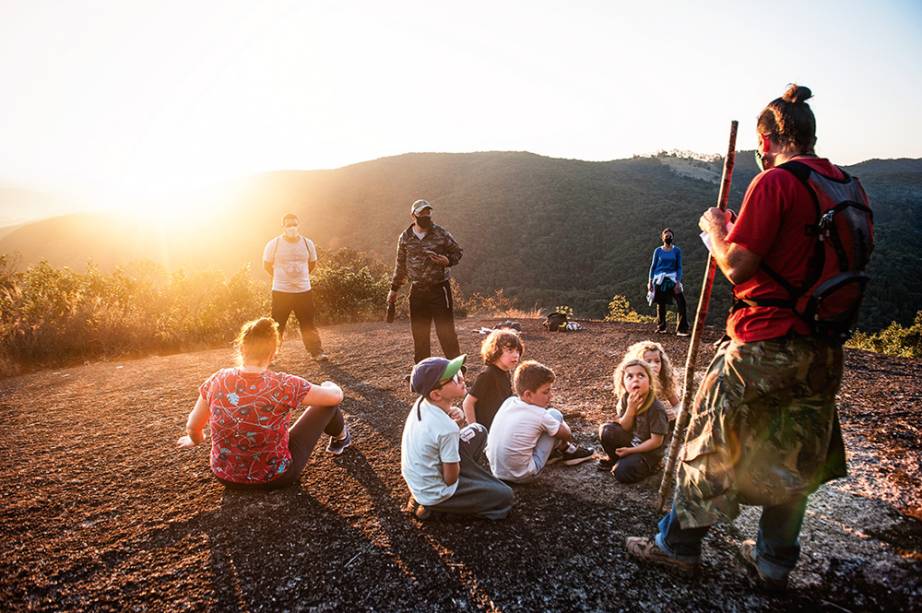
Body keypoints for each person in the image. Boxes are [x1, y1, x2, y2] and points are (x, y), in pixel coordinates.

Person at [626, 84, 860, 590]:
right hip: (822, 347)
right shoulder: (848, 187)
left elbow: (737, 263)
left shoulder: (776, 183)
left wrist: (715, 229)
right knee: (796, 453)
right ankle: (776, 561)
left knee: (713, 444)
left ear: (765, 138)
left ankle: (676, 547)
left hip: (763, 343)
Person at [177, 317, 351, 489]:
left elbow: (193, 426)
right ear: (273, 352)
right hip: (276, 477)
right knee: (328, 406)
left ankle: (340, 439)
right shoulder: (284, 384)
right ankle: (341, 438)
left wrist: (195, 440)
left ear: (242, 348)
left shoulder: (218, 379)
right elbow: (335, 398)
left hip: (224, 476)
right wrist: (330, 385)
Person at [401, 355, 514, 521]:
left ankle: (468, 485)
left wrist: (455, 416)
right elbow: (450, 478)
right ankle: (437, 507)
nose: (462, 378)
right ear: (436, 394)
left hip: (422, 477)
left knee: (478, 430)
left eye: (460, 372)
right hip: (437, 491)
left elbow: (437, 430)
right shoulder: (447, 429)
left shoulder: (422, 403)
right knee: (505, 495)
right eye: (454, 377)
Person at [486, 360, 594, 483]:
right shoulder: (539, 414)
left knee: (543, 425)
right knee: (555, 414)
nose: (550, 396)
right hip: (522, 475)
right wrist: (558, 430)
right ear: (528, 394)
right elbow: (567, 434)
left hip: (497, 471)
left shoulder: (509, 402)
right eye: (545, 392)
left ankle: (555, 452)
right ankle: (569, 451)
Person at [387, 199, 463, 364]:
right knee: (419, 334)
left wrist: (447, 261)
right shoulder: (405, 238)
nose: (426, 215)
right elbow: (400, 266)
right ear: (413, 215)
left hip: (439, 289)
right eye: (422, 213)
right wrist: (393, 290)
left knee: (446, 332)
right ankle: (423, 372)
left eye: (428, 212)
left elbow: (458, 252)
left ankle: (457, 370)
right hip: (417, 291)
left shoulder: (441, 233)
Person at [263, 213, 327, 362]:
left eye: (294, 224)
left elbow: (311, 263)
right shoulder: (274, 244)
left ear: (298, 225)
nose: (292, 227)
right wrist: (282, 278)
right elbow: (267, 265)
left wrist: (299, 277)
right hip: (281, 291)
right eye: (288, 225)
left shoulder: (307, 243)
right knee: (277, 324)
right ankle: (270, 356)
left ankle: (316, 352)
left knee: (308, 322)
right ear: (283, 227)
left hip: (303, 291)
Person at [597, 358, 669, 483]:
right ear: (624, 384)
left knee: (621, 473)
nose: (635, 379)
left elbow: (656, 442)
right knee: (607, 430)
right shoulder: (627, 398)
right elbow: (625, 427)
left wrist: (630, 451)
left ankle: (652, 466)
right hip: (632, 441)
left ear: (650, 382)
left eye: (641, 375)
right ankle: (615, 459)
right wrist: (631, 408)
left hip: (648, 453)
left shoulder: (656, 408)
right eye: (629, 376)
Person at [462, 329, 524, 430]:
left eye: (517, 351)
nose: (516, 355)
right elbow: (468, 403)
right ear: (495, 350)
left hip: (501, 426)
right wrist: (476, 430)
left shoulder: (506, 373)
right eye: (510, 350)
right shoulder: (487, 375)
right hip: (488, 431)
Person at [648, 228, 690, 336]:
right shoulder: (658, 251)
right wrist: (650, 281)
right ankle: (661, 327)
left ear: (673, 237)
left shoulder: (677, 251)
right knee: (661, 304)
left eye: (670, 236)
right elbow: (653, 267)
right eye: (666, 236)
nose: (668, 237)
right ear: (662, 238)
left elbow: (679, 267)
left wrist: (677, 282)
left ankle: (681, 329)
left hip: (672, 279)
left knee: (681, 302)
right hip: (660, 279)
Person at [625, 340, 680, 421]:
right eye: (648, 361)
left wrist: (675, 413)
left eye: (657, 361)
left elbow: (677, 404)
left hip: (662, 423)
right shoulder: (634, 383)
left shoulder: (663, 381)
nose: (654, 365)